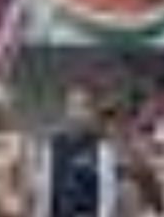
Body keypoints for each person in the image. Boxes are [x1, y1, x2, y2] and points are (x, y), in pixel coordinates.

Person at [40, 87, 118, 217]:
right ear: (65, 111)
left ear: (90, 113)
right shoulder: (51, 147)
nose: (77, 113)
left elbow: (107, 198)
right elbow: (45, 193)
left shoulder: (102, 150)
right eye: (73, 107)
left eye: (83, 107)